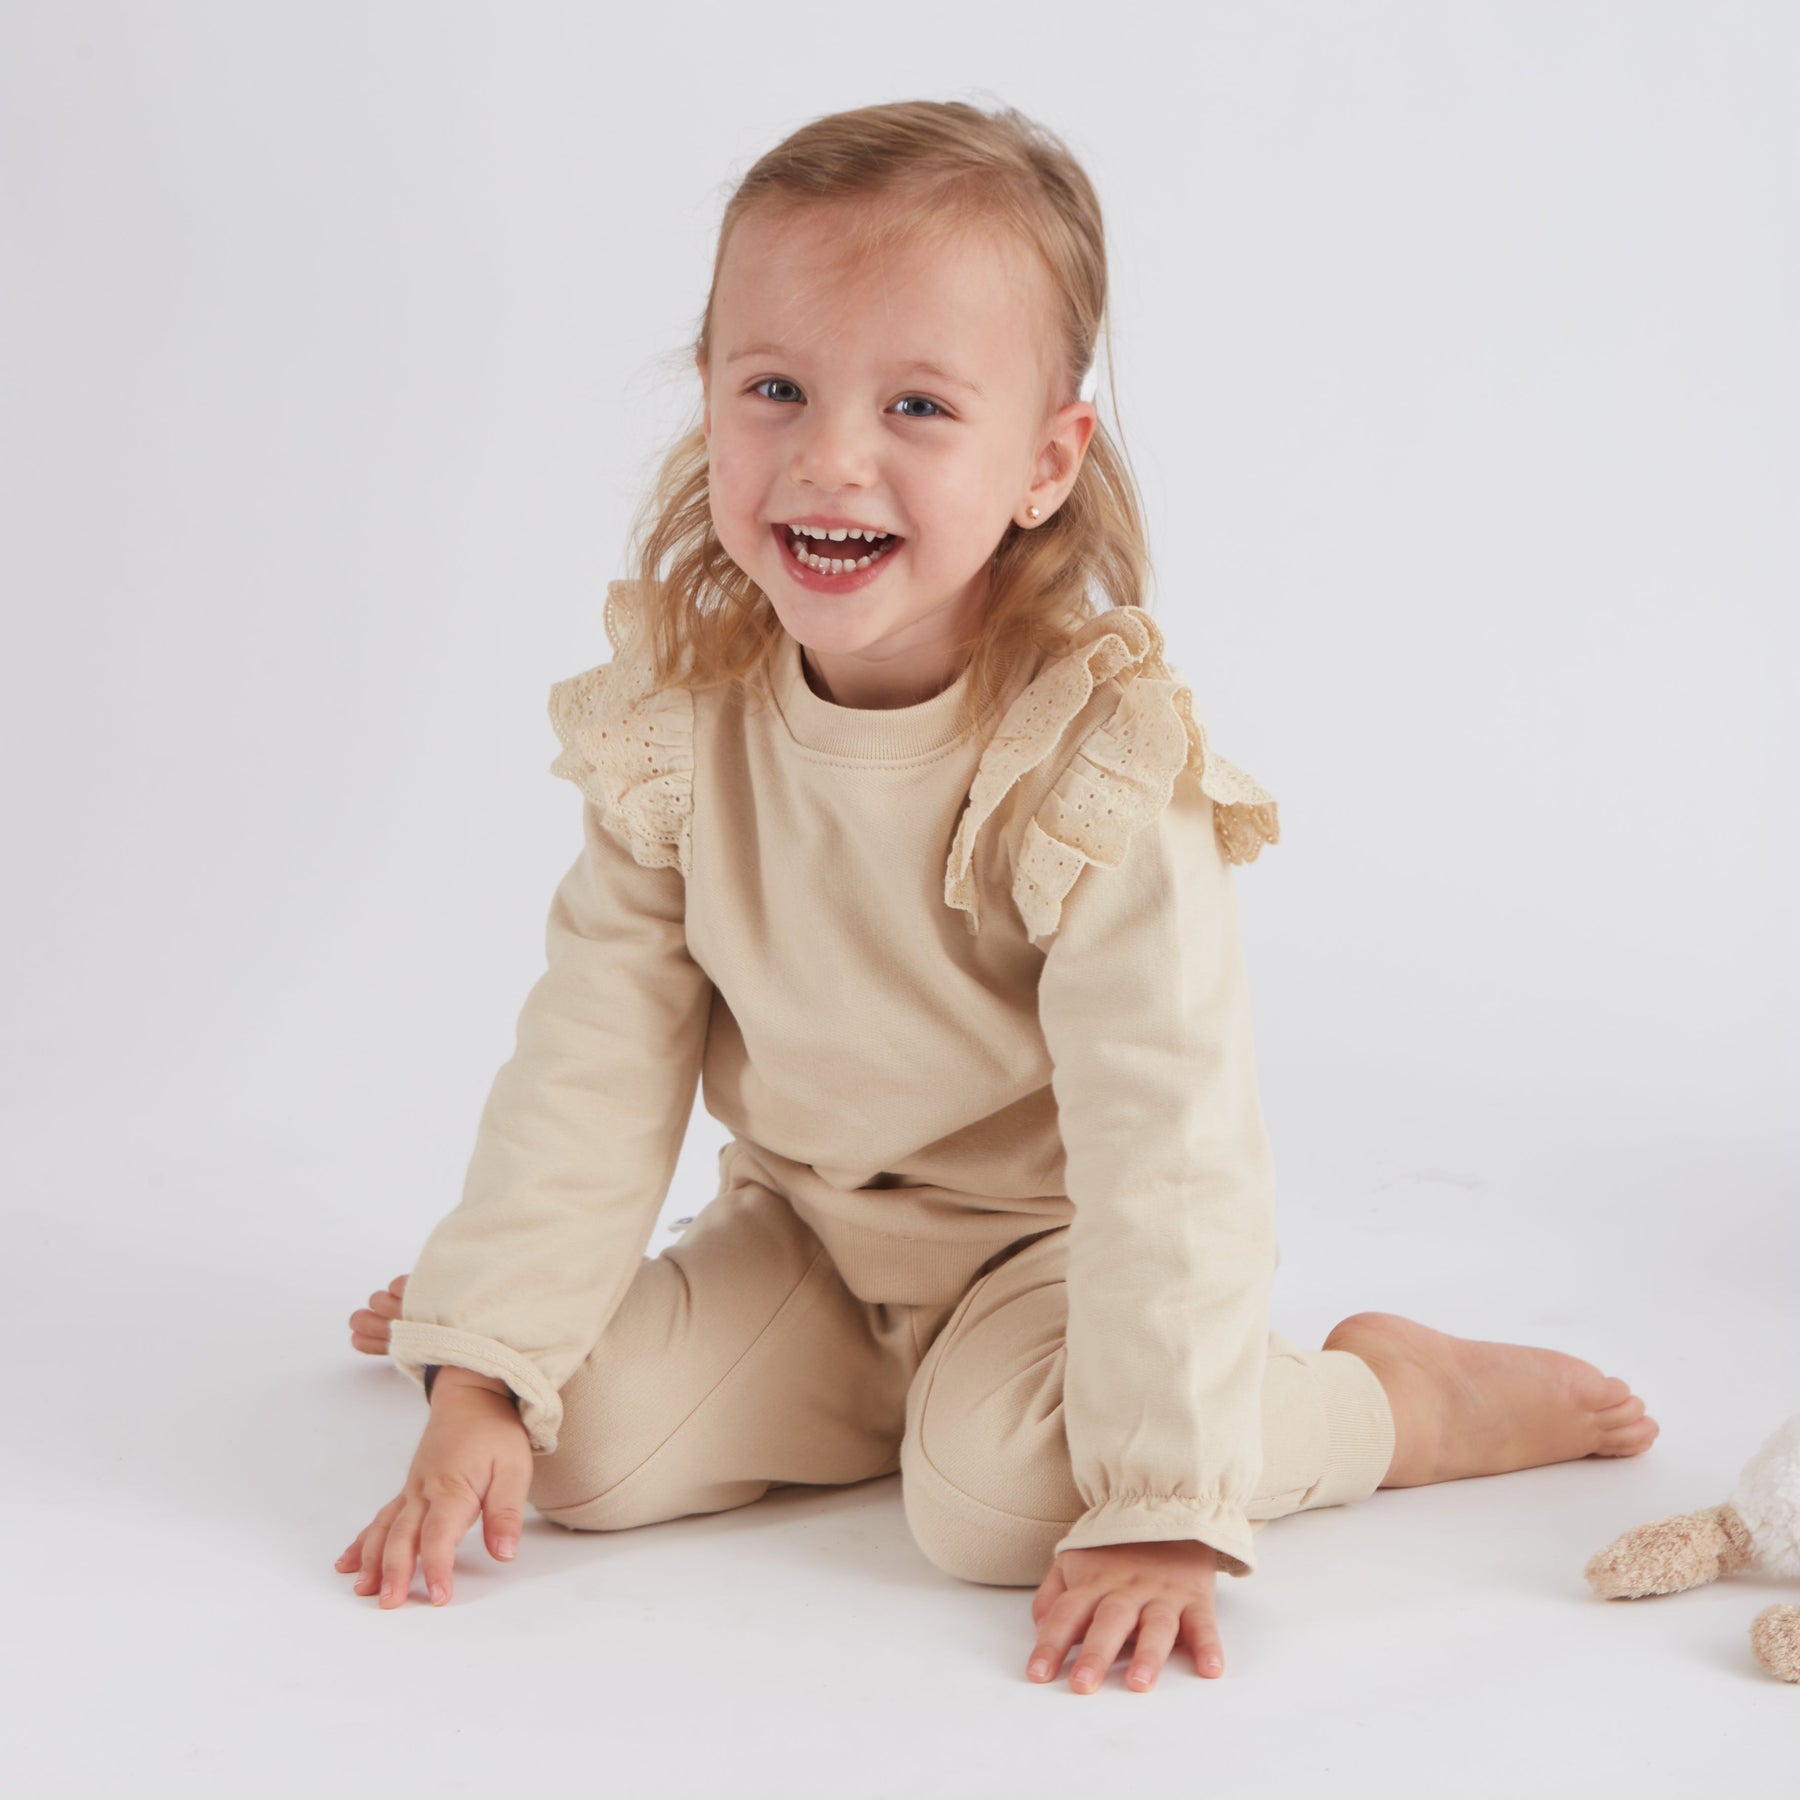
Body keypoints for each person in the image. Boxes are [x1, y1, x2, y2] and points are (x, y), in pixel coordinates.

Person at [334, 98, 1658, 1695]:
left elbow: (1168, 1141)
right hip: (810, 1238)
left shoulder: (1091, 763)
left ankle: (1393, 1402)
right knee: (578, 1449)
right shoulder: (680, 723)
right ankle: (566, 1329)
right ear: (708, 396)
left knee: (995, 1510)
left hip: (1051, 1258)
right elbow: (595, 1050)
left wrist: (1160, 1499)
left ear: (1045, 461)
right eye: (775, 389)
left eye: (917, 405)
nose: (830, 457)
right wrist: (495, 1356)